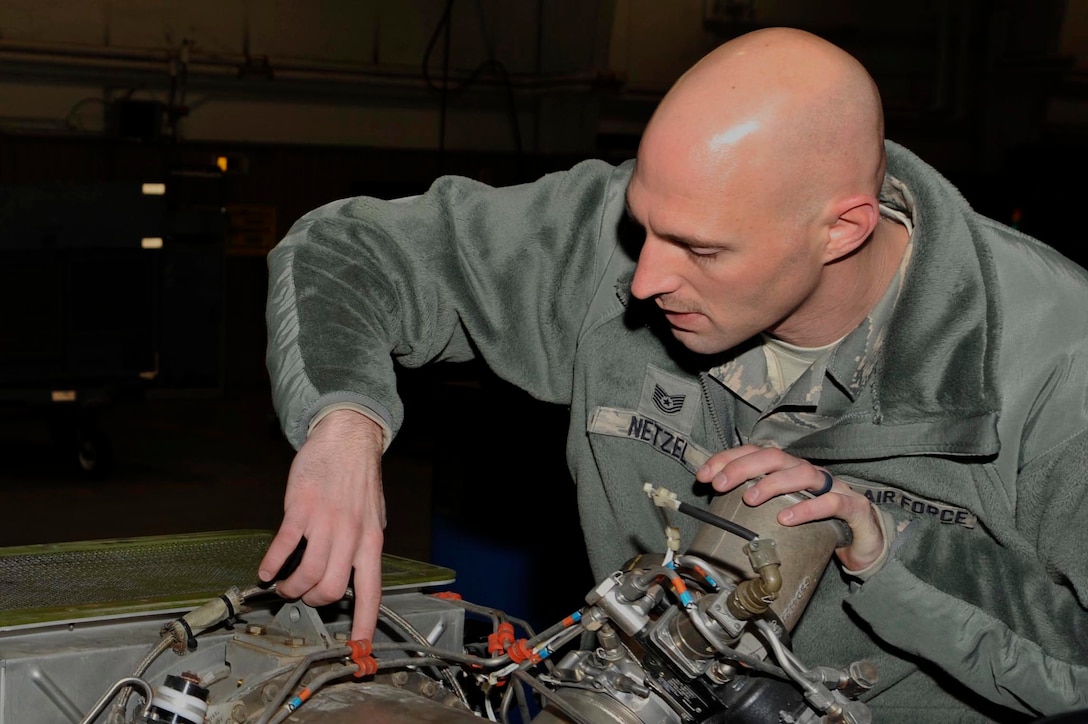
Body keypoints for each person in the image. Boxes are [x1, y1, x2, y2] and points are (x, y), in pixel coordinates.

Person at [258, 26, 1088, 722]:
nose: (644, 279)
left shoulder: (1058, 362)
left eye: (700, 250)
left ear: (842, 229)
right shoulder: (642, 231)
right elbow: (347, 249)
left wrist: (887, 550)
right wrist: (344, 423)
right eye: (645, 224)